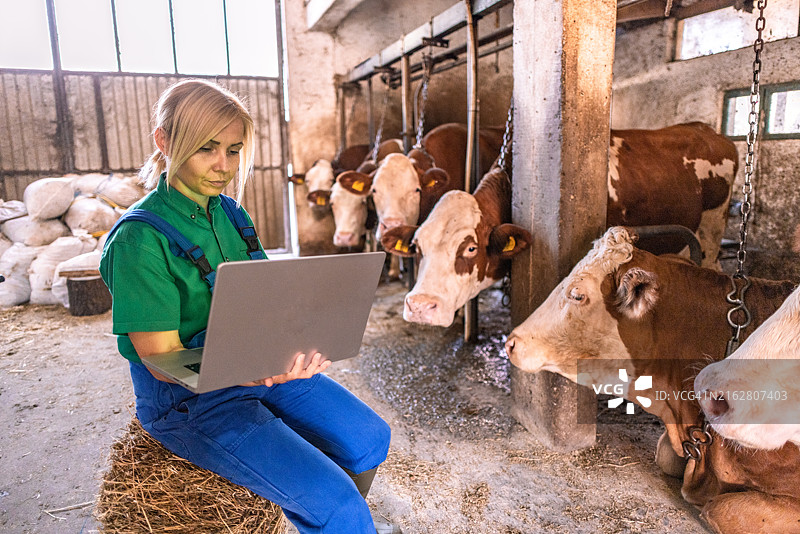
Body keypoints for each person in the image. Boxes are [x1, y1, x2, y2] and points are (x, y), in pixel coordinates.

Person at [100, 79, 397, 534]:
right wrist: (249, 369)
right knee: (337, 503)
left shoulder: (231, 214)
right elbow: (161, 358)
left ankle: (325, 518)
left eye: (234, 150)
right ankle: (336, 516)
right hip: (189, 401)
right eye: (207, 148)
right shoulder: (139, 239)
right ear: (164, 140)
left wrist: (300, 343)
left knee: (371, 439)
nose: (223, 166)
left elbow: (267, 299)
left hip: (258, 367)